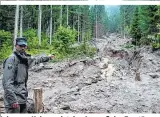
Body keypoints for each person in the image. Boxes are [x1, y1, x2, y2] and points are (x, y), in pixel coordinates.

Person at [2, 37, 54, 113]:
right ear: (16, 46)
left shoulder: (24, 58)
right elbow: (7, 83)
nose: (22, 48)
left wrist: (48, 57)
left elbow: (36, 59)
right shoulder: (11, 59)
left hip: (22, 97)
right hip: (14, 99)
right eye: (20, 46)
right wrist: (12, 100)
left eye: (24, 46)